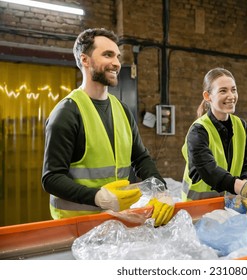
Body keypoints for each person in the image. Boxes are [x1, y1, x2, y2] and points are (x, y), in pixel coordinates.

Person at [42, 28, 173, 226]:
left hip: (115, 222)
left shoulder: (122, 109)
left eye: (118, 56)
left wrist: (161, 191)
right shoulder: (67, 113)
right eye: (108, 55)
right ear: (85, 60)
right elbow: (51, 178)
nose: (117, 63)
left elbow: (141, 158)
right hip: (74, 227)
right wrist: (98, 197)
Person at [181, 67, 247, 217]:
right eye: (223, 91)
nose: (231, 96)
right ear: (208, 96)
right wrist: (245, 189)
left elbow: (246, 164)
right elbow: (209, 171)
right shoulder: (198, 131)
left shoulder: (241, 125)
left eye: (233, 90)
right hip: (198, 212)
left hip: (229, 209)